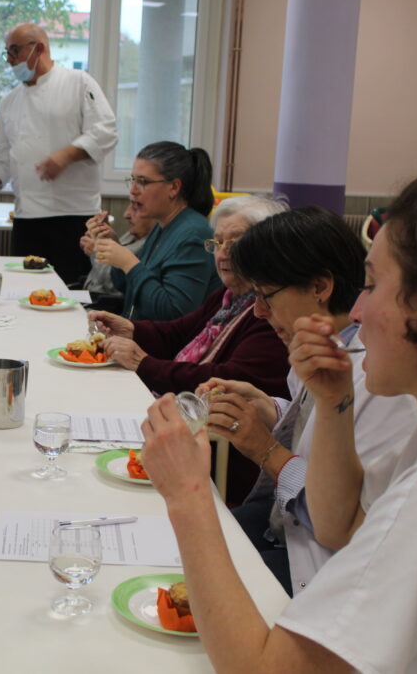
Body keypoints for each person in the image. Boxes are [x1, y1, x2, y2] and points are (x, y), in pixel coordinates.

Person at [140, 169, 417, 673]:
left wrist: (188, 494)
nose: (356, 309)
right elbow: (338, 520)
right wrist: (331, 403)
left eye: (371, 285)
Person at [196, 207, 417, 593]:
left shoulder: (382, 380)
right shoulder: (326, 346)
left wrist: (263, 449)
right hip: (282, 527)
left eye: (266, 296)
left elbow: (338, 516)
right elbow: (319, 430)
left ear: (320, 287)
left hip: (315, 562)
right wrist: (269, 409)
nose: (258, 311)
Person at [88, 195, 291, 505]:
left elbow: (222, 379)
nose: (223, 254)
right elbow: (181, 330)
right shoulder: (230, 295)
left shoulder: (269, 312)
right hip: (194, 429)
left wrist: (143, 363)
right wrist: (132, 330)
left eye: (234, 243)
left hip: (224, 462)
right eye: (218, 243)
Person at [0, 23, 117, 285]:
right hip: (27, 219)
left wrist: (66, 155)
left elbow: (106, 131)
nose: (9, 60)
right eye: (6, 53)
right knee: (26, 292)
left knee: (71, 294)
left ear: (38, 48)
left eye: (15, 51)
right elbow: (3, 158)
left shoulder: (77, 81)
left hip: (74, 217)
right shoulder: (9, 101)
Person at [97, 141, 220, 321]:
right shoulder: (164, 225)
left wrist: (129, 262)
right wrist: (114, 248)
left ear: (174, 187)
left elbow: (174, 314)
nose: (132, 191)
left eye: (143, 182)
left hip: (165, 347)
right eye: (132, 180)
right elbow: (127, 286)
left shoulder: (194, 234)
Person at [76, 207, 155, 312]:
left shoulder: (149, 246)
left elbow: (113, 284)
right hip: (87, 296)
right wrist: (101, 235)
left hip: (101, 308)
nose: (126, 214)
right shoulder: (132, 235)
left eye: (137, 208)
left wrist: (97, 251)